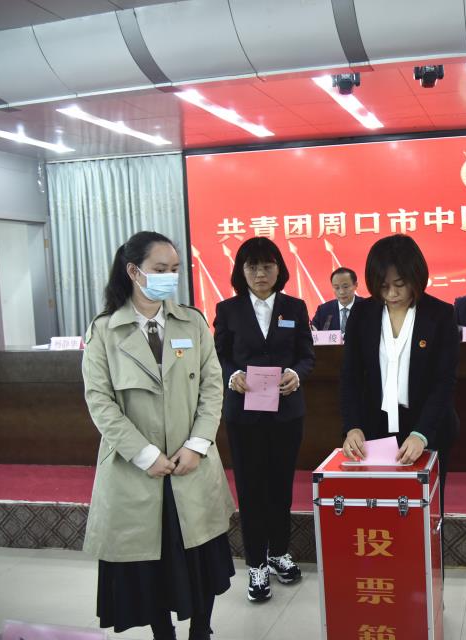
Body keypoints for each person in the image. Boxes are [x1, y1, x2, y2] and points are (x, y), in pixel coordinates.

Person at [82, 231, 235, 640]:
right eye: (160, 269)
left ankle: (201, 630)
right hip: (137, 469)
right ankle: (162, 633)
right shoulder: (105, 330)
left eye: (175, 269)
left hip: (191, 463)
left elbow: (212, 387)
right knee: (149, 564)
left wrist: (197, 445)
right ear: (134, 271)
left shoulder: (192, 321)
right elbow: (99, 401)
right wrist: (145, 454)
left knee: (200, 558)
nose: (170, 277)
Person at [213, 237, 315, 603]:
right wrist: (233, 375)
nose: (260, 273)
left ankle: (279, 552)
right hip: (244, 414)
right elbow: (219, 355)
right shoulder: (228, 309)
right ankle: (256, 562)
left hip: (286, 413)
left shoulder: (295, 307)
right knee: (252, 488)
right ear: (241, 271)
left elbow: (306, 354)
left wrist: (296, 374)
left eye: (267, 265)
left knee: (281, 486)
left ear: (279, 269)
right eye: (252, 266)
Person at [340, 234, 459, 512]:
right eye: (383, 286)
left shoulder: (440, 314)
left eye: (400, 285)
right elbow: (350, 376)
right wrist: (352, 426)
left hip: (426, 426)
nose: (391, 294)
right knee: (378, 511)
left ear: (416, 277)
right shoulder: (362, 313)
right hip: (374, 429)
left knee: (424, 514)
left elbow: (444, 382)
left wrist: (421, 434)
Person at [311, 267, 365, 332]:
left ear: (355, 285)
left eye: (345, 287)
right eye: (336, 288)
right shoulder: (323, 310)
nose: (341, 292)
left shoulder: (367, 307)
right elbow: (313, 331)